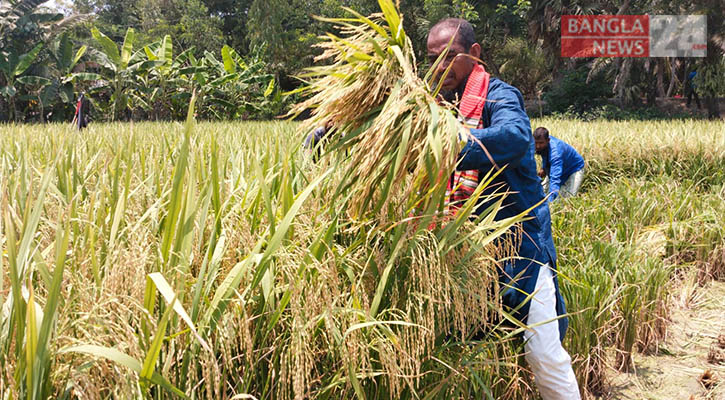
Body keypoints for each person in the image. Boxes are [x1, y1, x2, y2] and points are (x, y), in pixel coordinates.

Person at [427, 18, 580, 399]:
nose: (440, 68)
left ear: (474, 54)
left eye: (449, 57)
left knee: (543, 353)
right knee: (459, 348)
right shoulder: (436, 108)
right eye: (432, 60)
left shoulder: (498, 96)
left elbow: (514, 138)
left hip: (521, 249)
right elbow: (391, 125)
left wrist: (442, 145)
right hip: (470, 255)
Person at [534, 127, 585, 202]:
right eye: (536, 143)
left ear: (548, 140)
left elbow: (555, 179)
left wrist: (551, 203)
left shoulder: (556, 153)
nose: (538, 146)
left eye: (541, 143)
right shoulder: (541, 144)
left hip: (574, 169)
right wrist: (543, 168)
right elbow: (545, 154)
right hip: (556, 168)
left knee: (567, 199)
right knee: (541, 193)